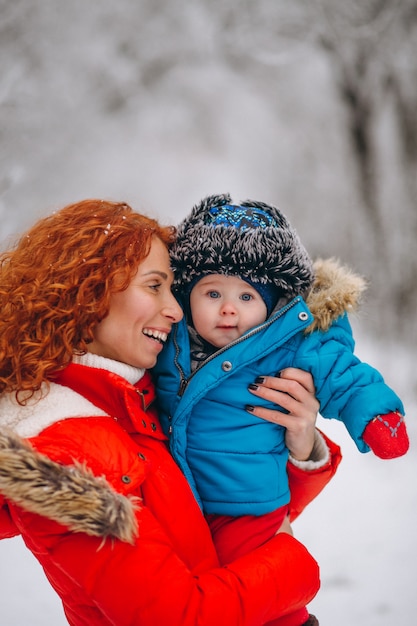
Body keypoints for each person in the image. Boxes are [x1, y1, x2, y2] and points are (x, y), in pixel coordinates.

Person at [0, 199, 341, 626]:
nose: (177, 311)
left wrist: (300, 443)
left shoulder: (134, 403)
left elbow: (224, 513)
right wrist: (294, 563)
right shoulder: (60, 453)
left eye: (174, 288)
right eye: (155, 285)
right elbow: (177, 617)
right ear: (88, 293)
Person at [152, 193, 409, 626]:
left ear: (272, 306)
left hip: (251, 507)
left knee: (265, 597)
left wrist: (376, 416)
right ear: (185, 294)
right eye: (212, 292)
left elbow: (344, 374)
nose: (228, 308)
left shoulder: (290, 344)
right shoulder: (166, 341)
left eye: (246, 296)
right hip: (176, 507)